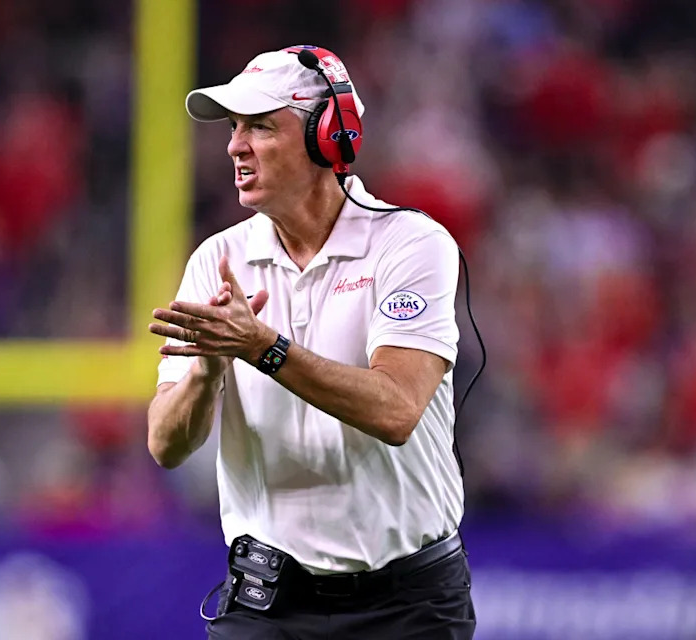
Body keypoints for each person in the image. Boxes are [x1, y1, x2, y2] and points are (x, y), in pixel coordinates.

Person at [147, 45, 476, 639]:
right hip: (266, 603)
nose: (235, 146)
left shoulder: (411, 245)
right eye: (233, 128)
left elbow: (396, 410)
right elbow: (165, 446)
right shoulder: (217, 259)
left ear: (331, 136)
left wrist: (262, 347)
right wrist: (205, 373)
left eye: (260, 126)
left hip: (406, 606)